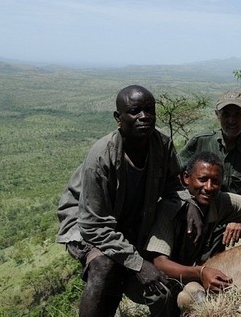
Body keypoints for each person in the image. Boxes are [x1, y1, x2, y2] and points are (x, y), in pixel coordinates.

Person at [56, 85, 200, 317]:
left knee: (159, 287)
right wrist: (139, 264)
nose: (144, 117)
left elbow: (174, 183)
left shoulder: (161, 144)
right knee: (104, 265)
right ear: (118, 119)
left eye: (149, 110)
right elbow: (93, 226)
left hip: (130, 223)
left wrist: (189, 201)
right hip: (85, 222)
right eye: (134, 111)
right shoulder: (101, 157)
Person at [146, 151, 241, 315]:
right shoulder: (170, 208)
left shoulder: (219, 201)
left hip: (194, 271)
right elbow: (160, 263)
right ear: (186, 178)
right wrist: (201, 272)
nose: (209, 187)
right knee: (174, 296)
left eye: (215, 181)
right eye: (202, 179)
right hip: (160, 278)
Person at [179, 90, 241, 244]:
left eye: (237, 114)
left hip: (237, 213)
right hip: (201, 209)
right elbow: (177, 175)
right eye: (226, 114)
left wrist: (238, 220)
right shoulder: (201, 141)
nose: (231, 120)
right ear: (217, 115)